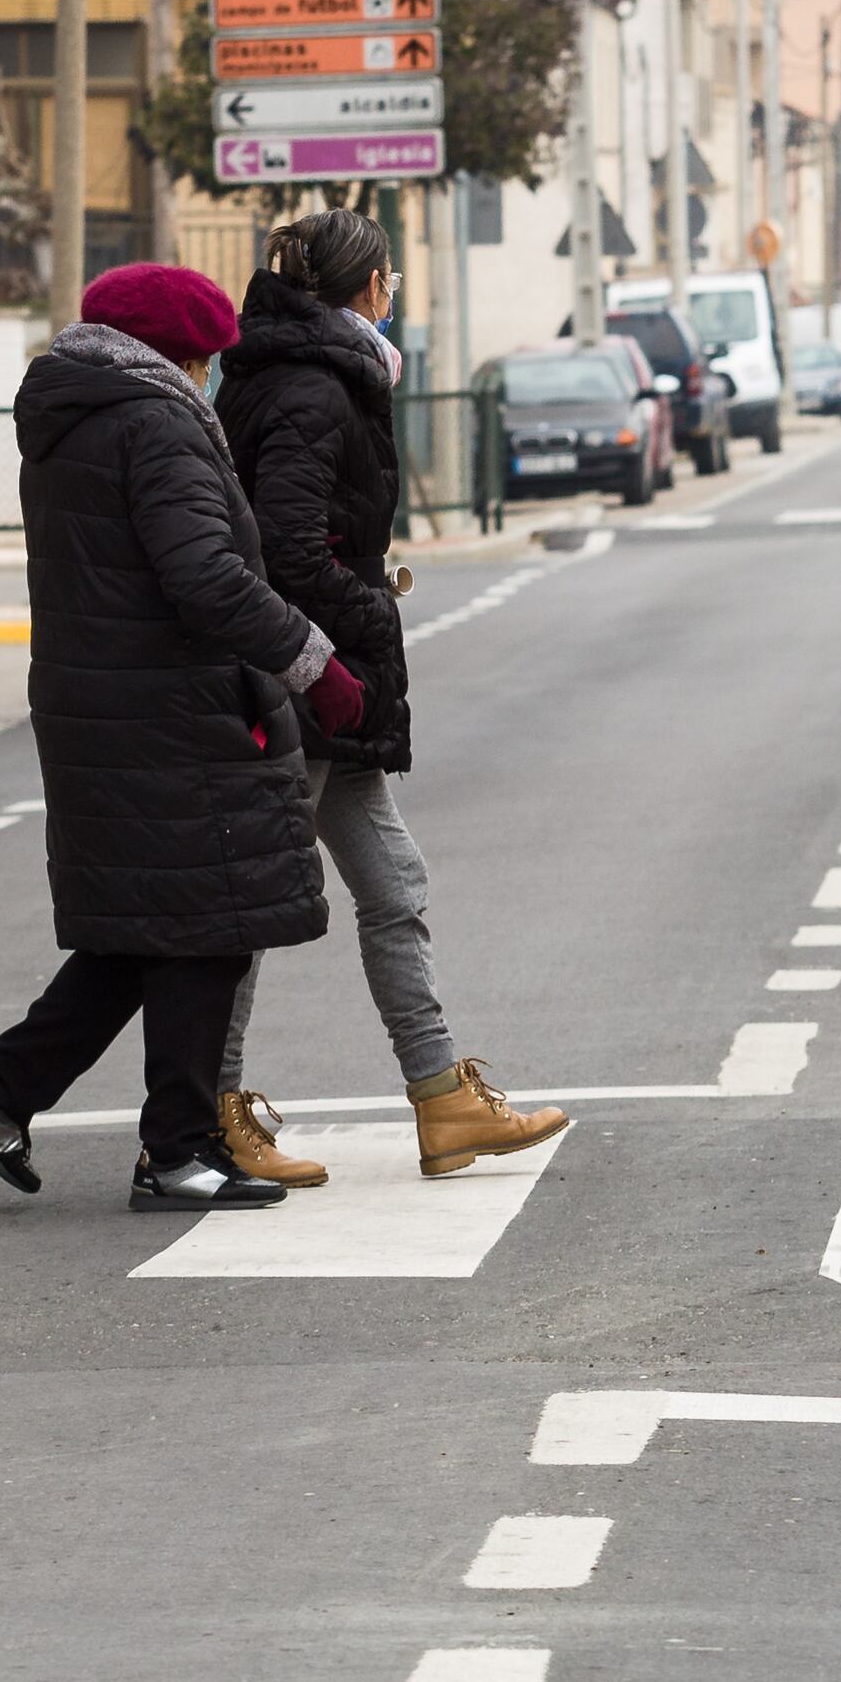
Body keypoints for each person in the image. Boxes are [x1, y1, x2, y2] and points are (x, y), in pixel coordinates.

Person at [0, 262, 361, 1213]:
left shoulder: (77, 412)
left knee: (153, 925)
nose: (212, 374)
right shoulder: (155, 421)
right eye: (206, 359)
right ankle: (177, 1152)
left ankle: (2, 1093)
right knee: (208, 927)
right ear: (180, 354)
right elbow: (205, 574)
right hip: (170, 710)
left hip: (109, 705)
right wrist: (311, 664)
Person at [204, 208, 566, 1187]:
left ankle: (441, 1098)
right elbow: (286, 545)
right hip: (305, 679)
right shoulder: (313, 391)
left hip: (319, 675)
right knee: (251, 910)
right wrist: (358, 621)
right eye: (391, 287)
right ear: (367, 293)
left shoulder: (287, 375)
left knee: (392, 882)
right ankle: (210, 1111)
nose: (393, 304)